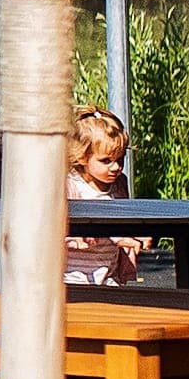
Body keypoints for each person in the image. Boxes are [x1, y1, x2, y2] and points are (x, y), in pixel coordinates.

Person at [63, 108, 145, 284]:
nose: (115, 167)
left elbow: (122, 220)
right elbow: (51, 229)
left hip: (109, 273)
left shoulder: (119, 184)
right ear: (83, 157)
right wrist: (73, 236)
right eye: (106, 161)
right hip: (74, 275)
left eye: (120, 159)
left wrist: (137, 233)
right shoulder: (70, 186)